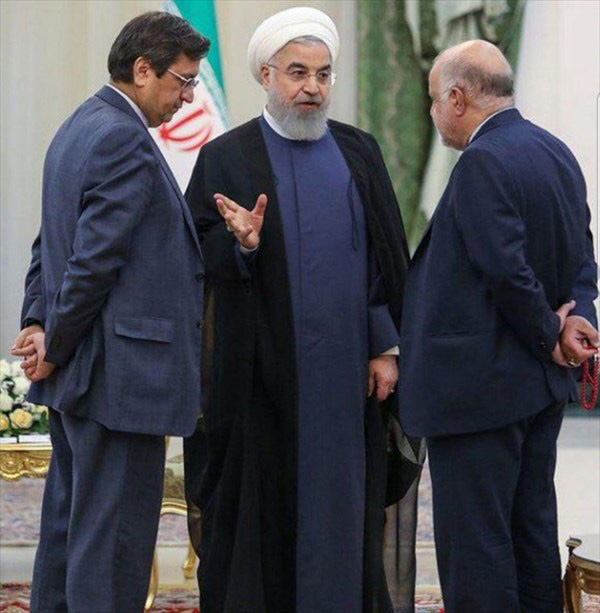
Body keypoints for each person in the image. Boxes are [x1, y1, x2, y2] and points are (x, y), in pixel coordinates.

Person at [184, 7, 422, 613]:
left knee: (344, 508)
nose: (312, 87)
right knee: (264, 515)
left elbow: (382, 259)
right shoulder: (226, 157)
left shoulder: (358, 151)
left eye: (322, 74)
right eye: (297, 72)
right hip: (262, 380)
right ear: (266, 75)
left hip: (346, 381)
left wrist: (384, 345)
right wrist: (241, 246)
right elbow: (195, 259)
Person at [10, 12, 209, 612]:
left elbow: (49, 244)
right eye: (182, 81)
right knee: (114, 546)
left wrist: (38, 323)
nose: (187, 97)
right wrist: (53, 342)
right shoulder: (122, 137)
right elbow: (92, 262)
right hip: (121, 380)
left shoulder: (80, 124)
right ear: (143, 70)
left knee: (71, 532)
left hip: (88, 374)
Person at [399, 40, 598, 613]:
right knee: (529, 529)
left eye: (434, 100)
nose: (433, 112)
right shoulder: (554, 150)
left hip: (479, 393)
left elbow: (505, 269)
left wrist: (549, 332)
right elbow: (582, 254)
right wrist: (579, 317)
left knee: (477, 542)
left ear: (458, 98)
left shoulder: (483, 161)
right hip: (536, 390)